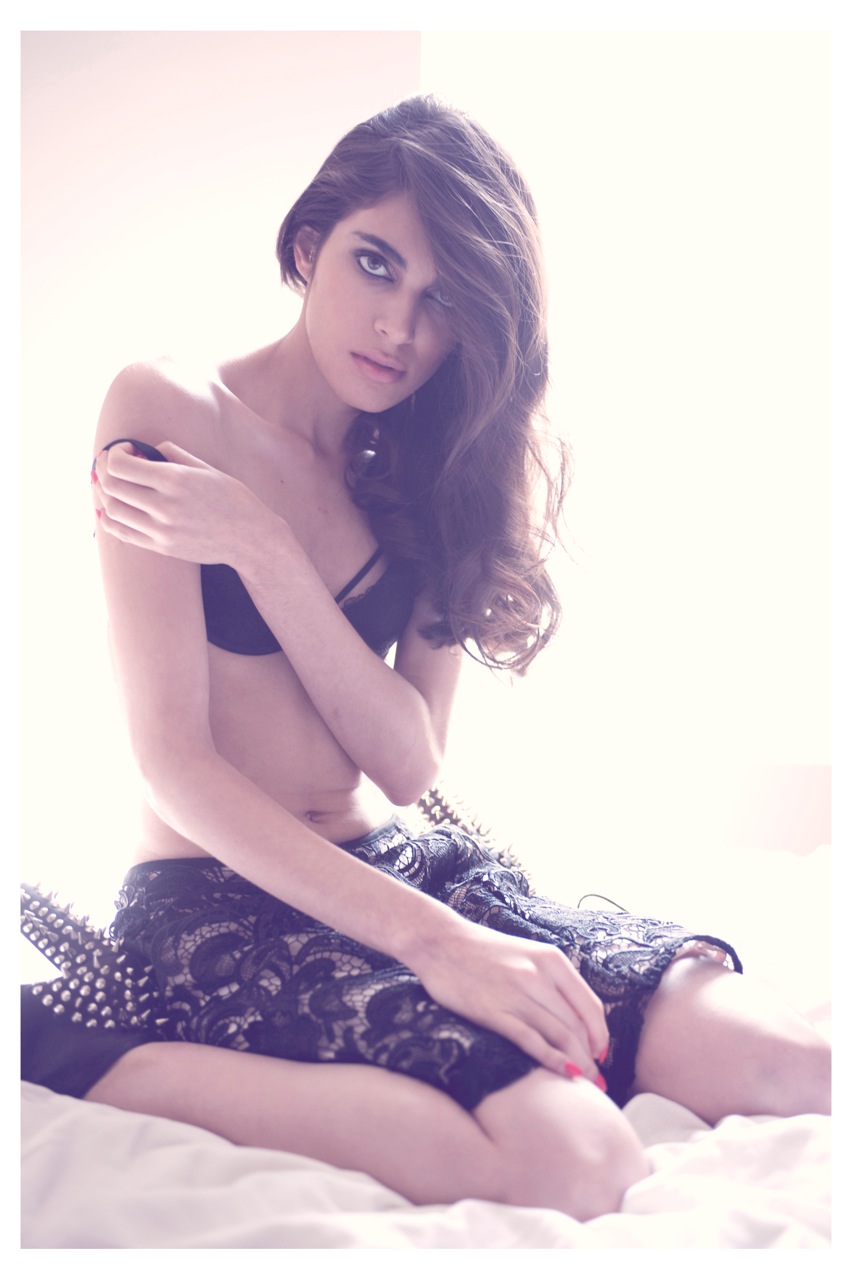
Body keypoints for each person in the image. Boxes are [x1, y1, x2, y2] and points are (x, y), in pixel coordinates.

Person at [22, 95, 829, 1220]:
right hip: (220, 899)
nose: (399, 328)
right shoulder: (168, 409)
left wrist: (265, 552)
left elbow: (407, 762)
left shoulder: (435, 464)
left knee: (794, 1065)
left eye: (442, 300)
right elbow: (174, 765)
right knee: (580, 1161)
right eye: (376, 264)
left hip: (403, 868)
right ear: (310, 246)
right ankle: (91, 1051)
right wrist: (440, 949)